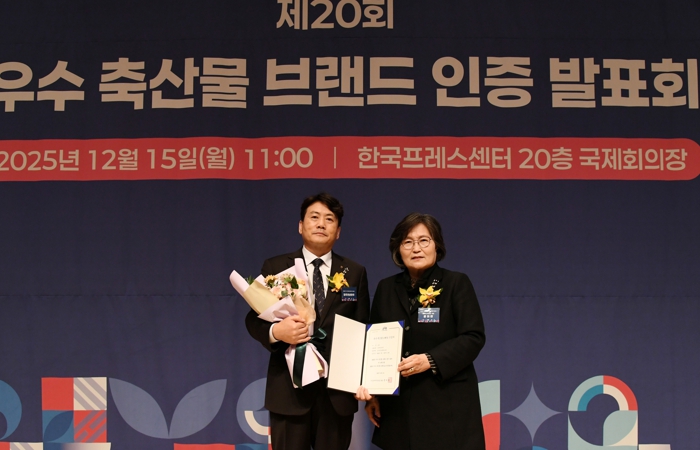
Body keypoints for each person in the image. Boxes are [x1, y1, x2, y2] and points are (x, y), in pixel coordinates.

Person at [245, 192, 370, 450]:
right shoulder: (276, 267)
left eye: (329, 219)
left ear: (338, 231)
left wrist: (366, 379)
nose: (321, 224)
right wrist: (277, 332)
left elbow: (362, 328)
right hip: (289, 393)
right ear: (301, 226)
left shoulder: (355, 272)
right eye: (314, 217)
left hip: (337, 394)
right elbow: (253, 320)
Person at [356, 212, 486, 450]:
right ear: (398, 249)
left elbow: (473, 337)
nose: (416, 248)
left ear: (437, 245)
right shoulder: (386, 288)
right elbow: (374, 343)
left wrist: (430, 360)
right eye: (408, 242)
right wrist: (373, 393)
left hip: (446, 407)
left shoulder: (456, 283)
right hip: (398, 410)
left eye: (424, 240)